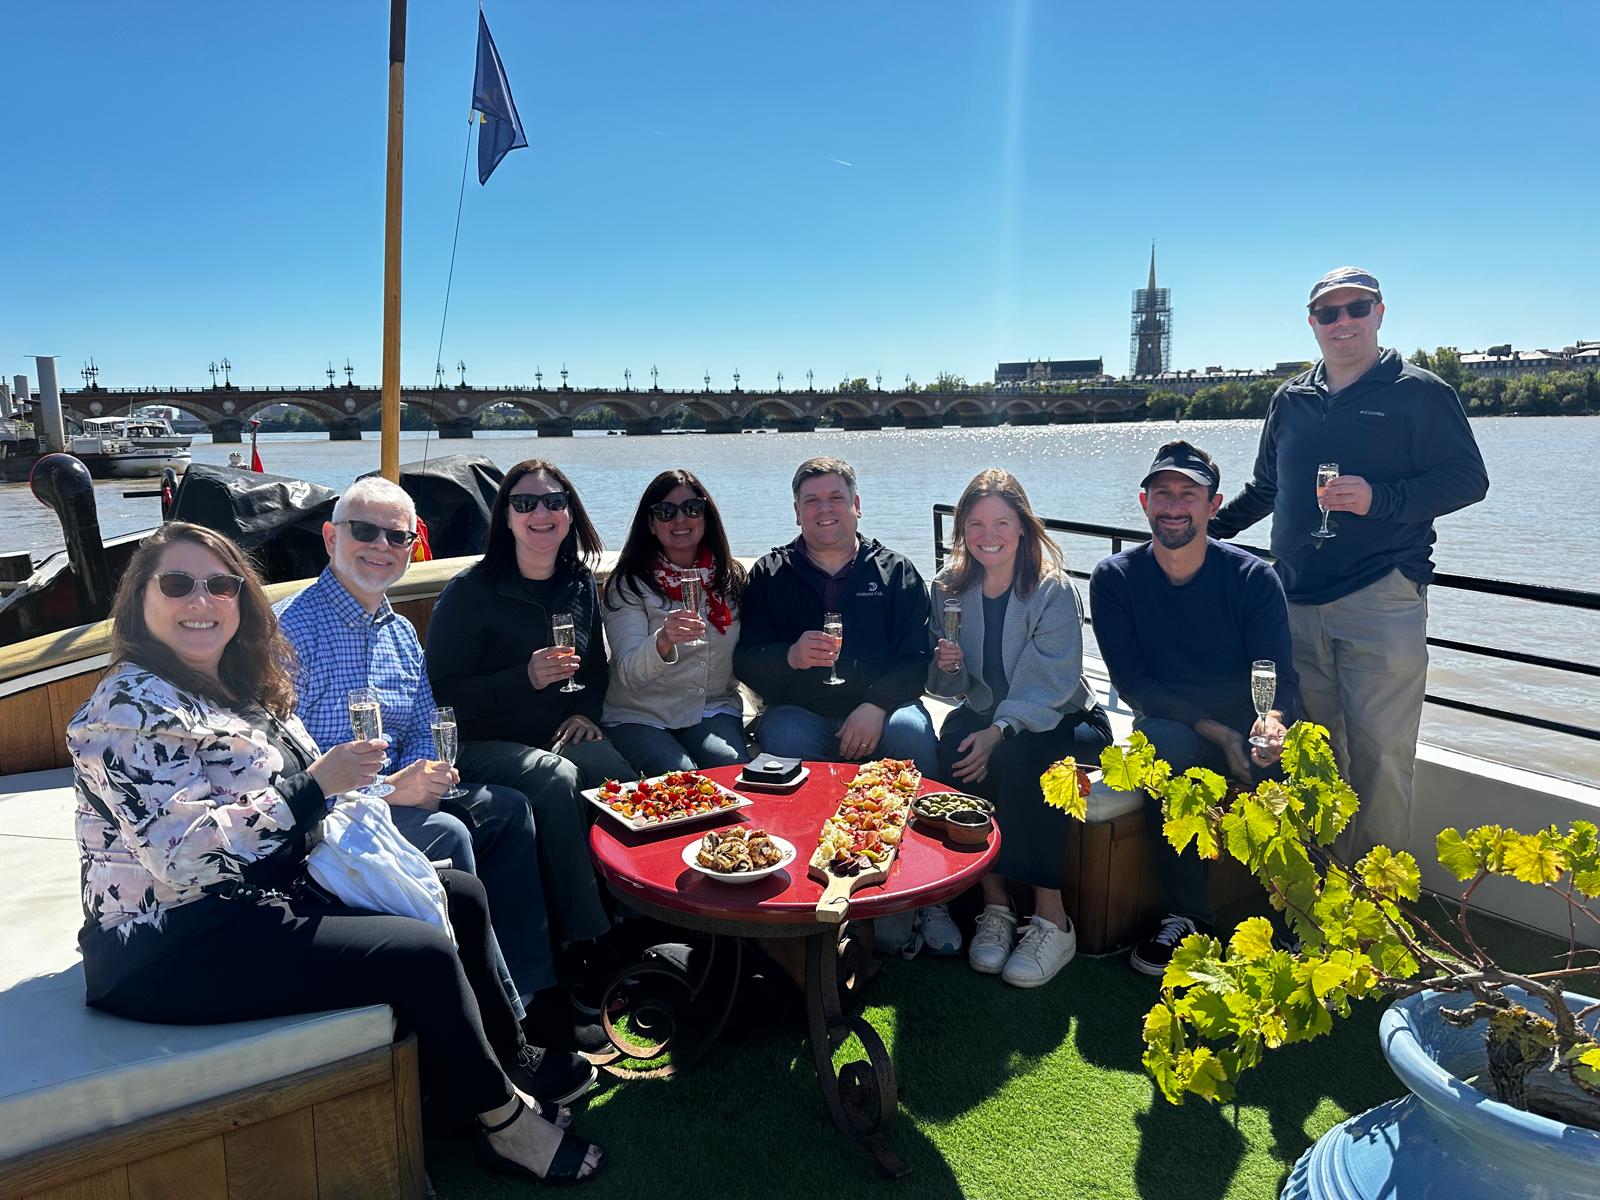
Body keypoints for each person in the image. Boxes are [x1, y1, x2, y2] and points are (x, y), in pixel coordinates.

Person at [66, 522, 602, 1184]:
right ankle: (503, 1124)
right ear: (140, 600)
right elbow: (181, 858)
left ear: (242, 598)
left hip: (261, 897)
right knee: (420, 952)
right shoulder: (130, 701)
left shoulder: (238, 685)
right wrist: (316, 786)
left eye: (220, 585)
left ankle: (501, 1059)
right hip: (166, 943)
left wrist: (357, 799)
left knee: (459, 895)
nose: (201, 601)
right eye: (177, 584)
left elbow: (300, 799)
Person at [276, 475, 583, 1042]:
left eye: (397, 537)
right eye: (363, 531)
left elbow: (422, 722)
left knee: (509, 813)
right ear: (329, 537)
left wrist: (424, 774)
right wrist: (391, 791)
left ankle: (535, 993)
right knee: (449, 831)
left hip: (400, 794)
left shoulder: (398, 633)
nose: (381, 546)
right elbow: (287, 769)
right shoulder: (292, 632)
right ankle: (483, 1018)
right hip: (332, 821)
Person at [1209, 267, 1488, 859]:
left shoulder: (1421, 392)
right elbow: (1266, 488)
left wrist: (1378, 499)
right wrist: (1202, 536)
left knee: (1382, 756)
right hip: (1294, 601)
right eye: (1328, 313)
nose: (1343, 323)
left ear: (1380, 313)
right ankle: (1325, 900)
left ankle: (1379, 915)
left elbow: (1469, 479)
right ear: (1311, 323)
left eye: (1356, 309)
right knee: (1315, 754)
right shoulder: (1291, 400)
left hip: (1380, 599)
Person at [1090, 442, 1299, 977]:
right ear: (1144, 503)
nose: (1174, 505)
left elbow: (1276, 674)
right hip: (1173, 722)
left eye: (1189, 494)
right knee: (1165, 749)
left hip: (1247, 720)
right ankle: (1189, 916)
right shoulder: (1115, 578)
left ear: (1214, 504)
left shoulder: (1254, 577)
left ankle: (1296, 909)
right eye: (1163, 494)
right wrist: (1215, 732)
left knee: (1292, 759)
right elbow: (1135, 685)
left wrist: (1268, 726)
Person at [733, 457, 951, 951]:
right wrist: (787, 656)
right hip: (801, 713)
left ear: (856, 505)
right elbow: (745, 659)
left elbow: (917, 659)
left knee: (912, 734)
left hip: (883, 709)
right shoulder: (770, 574)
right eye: (811, 501)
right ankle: (799, 884)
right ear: (796, 512)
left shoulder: (896, 573)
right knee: (781, 737)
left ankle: (928, 892)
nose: (824, 510)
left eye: (835, 498)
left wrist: (876, 704)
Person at [423, 460, 620, 1006]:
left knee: (621, 776)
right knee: (556, 780)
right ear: (504, 516)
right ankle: (588, 943)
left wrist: (589, 715)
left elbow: (595, 668)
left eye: (554, 502)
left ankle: (642, 913)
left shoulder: (578, 582)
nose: (542, 513)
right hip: (477, 744)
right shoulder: (470, 592)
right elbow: (440, 696)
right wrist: (523, 678)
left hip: (554, 732)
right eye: (526, 503)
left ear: (570, 513)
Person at [928, 469, 1113, 988]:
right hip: (990, 714)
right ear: (961, 528)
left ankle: (1053, 918)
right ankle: (995, 905)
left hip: (1067, 719)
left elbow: (1048, 686)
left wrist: (1000, 732)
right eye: (976, 522)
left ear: (1024, 527)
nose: (989, 534)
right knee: (955, 741)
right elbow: (949, 691)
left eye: (1002, 522)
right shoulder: (948, 588)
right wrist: (947, 667)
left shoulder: (1053, 591)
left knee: (1025, 758)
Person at [601, 469, 751, 775]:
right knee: (678, 775)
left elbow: (753, 650)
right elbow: (628, 672)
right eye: (666, 512)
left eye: (692, 508)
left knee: (734, 771)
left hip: (712, 709)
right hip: (641, 714)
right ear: (652, 524)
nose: (680, 520)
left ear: (706, 516)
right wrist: (662, 641)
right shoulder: (628, 584)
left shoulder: (731, 578)